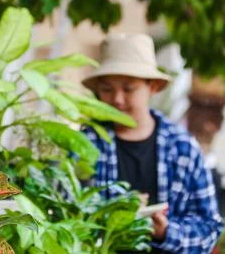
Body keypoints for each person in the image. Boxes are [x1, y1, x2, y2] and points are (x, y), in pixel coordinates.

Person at [81, 33, 223, 253]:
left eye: (128, 89)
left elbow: (208, 229)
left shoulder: (183, 148)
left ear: (153, 86)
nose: (117, 99)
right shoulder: (84, 144)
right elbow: (63, 215)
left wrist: (166, 232)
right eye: (107, 89)